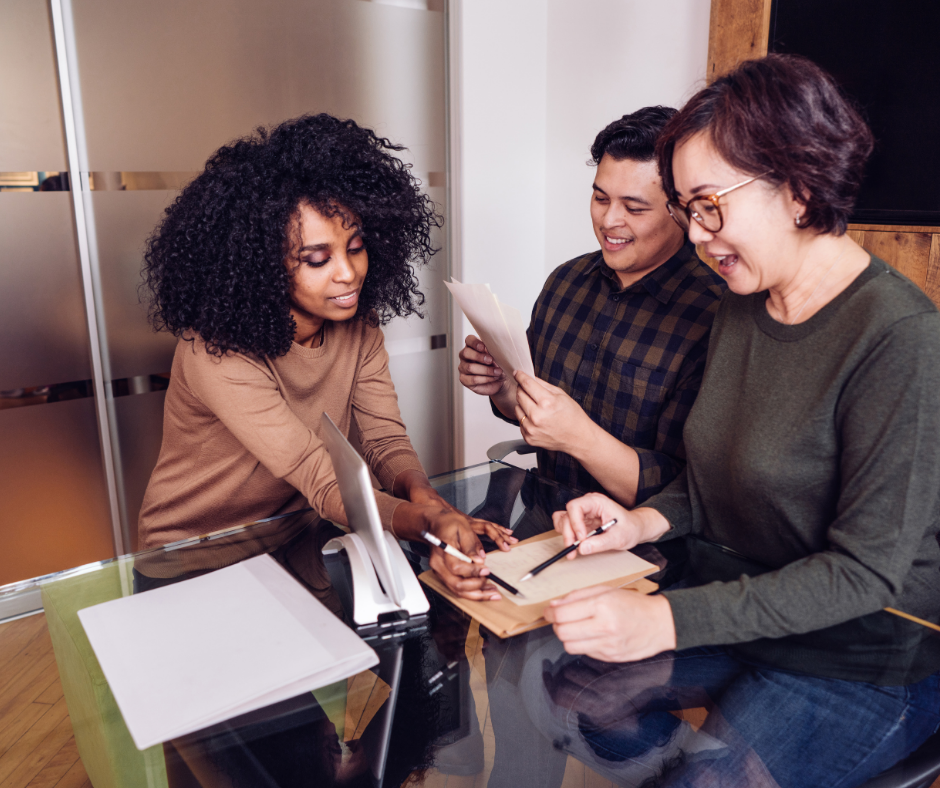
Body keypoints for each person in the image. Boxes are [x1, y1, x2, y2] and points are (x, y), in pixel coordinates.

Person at [543, 55, 940, 785]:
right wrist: (640, 524)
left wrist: (664, 623)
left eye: (708, 204)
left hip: (864, 650)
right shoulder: (743, 303)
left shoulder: (900, 337)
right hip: (751, 612)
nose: (697, 234)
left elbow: (864, 574)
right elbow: (718, 474)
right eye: (691, 210)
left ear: (799, 189)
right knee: (577, 690)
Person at [138, 114, 513, 602]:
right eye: (317, 259)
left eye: (355, 248)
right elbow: (317, 473)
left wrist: (433, 504)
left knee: (413, 641)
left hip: (296, 538)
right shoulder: (215, 351)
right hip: (195, 559)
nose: (348, 274)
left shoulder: (357, 325)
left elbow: (383, 439)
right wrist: (424, 524)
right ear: (260, 264)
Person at [458, 107, 725, 508]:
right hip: (545, 514)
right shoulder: (566, 282)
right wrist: (502, 388)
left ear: (682, 211)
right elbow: (526, 411)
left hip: (644, 545)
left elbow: (687, 491)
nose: (609, 220)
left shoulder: (713, 317)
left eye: (634, 208)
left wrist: (580, 438)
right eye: (600, 198)